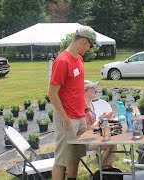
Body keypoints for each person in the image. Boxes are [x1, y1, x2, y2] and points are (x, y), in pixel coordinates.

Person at [49, 25, 101, 180]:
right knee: (62, 160)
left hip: (79, 116)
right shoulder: (62, 61)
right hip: (67, 119)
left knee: (75, 156)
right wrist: (65, 118)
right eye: (90, 46)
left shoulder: (79, 59)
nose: (90, 49)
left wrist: (86, 109)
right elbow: (52, 94)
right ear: (83, 41)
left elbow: (78, 90)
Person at [84, 80, 117, 168]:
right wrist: (100, 119)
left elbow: (95, 126)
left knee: (113, 141)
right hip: (83, 142)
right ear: (84, 90)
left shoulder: (90, 104)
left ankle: (107, 169)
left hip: (92, 137)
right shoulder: (82, 107)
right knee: (109, 143)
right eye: (92, 88)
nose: (95, 89)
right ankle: (101, 169)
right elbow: (88, 129)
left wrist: (105, 118)